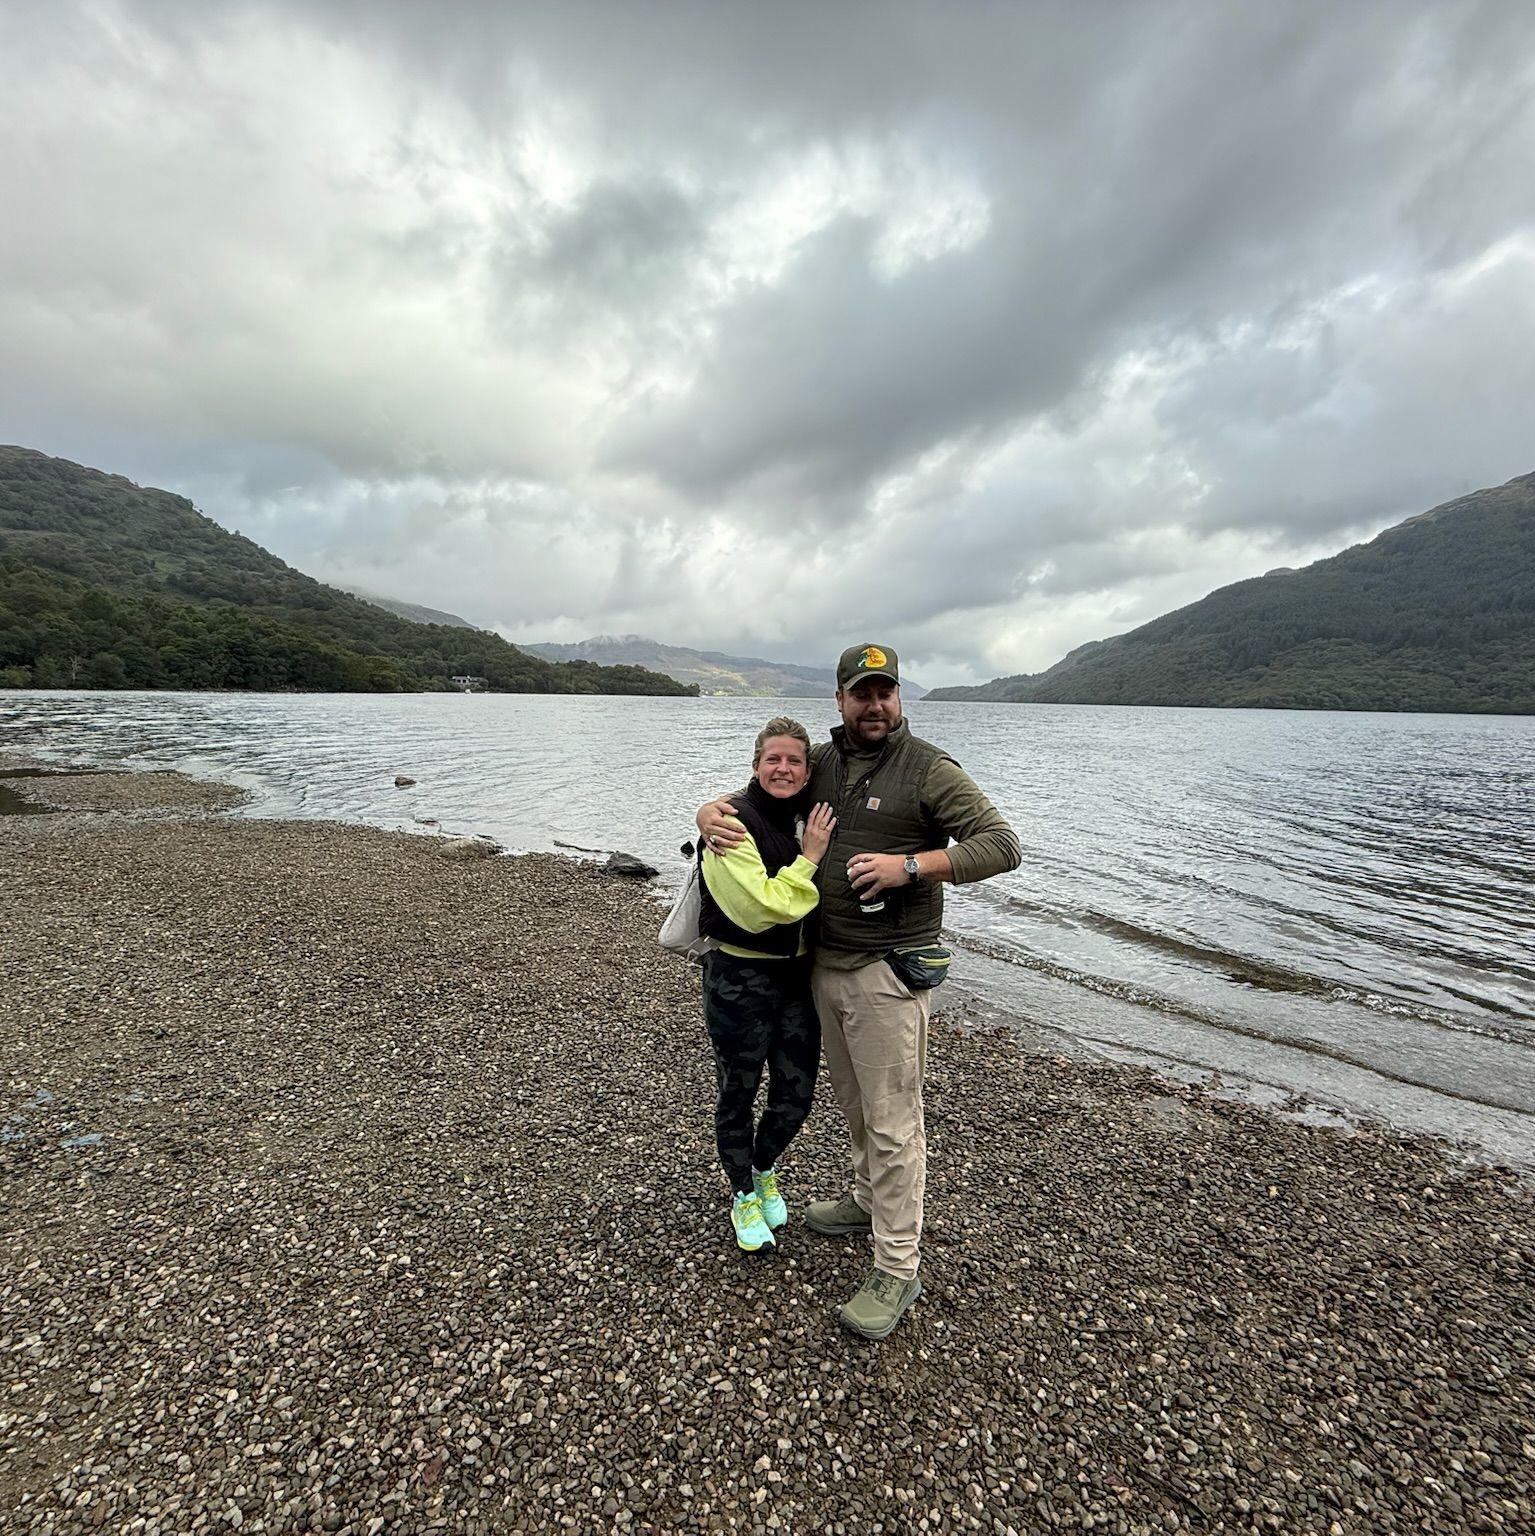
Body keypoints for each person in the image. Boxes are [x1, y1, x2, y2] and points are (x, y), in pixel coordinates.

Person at [698, 644, 1021, 1339]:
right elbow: (762, 787)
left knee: (892, 1119)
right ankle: (864, 1202)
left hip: (886, 972)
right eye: (861, 693)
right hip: (821, 966)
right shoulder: (823, 761)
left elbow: (1000, 844)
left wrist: (913, 864)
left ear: (899, 698)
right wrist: (706, 813)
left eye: (886, 693)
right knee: (851, 1105)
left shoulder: (928, 769)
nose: (874, 705)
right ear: (840, 700)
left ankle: (896, 1268)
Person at [697, 715, 837, 1252]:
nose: (783, 768)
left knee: (795, 1095)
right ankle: (741, 1196)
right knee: (738, 1090)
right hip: (738, 976)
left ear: (807, 771)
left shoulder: (809, 815)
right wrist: (810, 859)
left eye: (794, 760)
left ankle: (761, 1168)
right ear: (756, 764)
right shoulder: (731, 822)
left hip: (796, 977)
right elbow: (761, 909)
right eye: (772, 758)